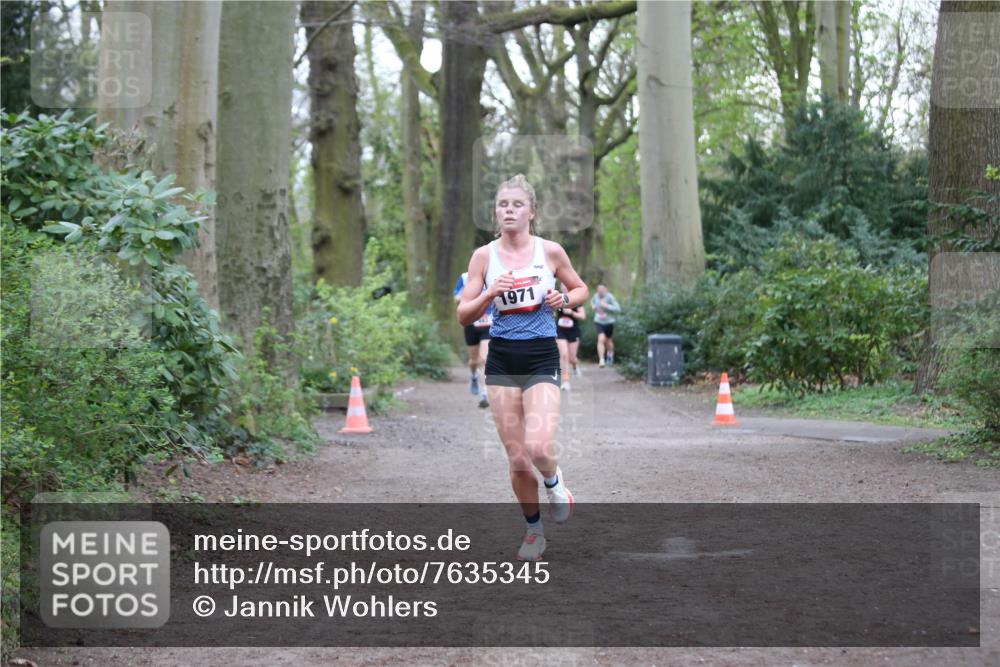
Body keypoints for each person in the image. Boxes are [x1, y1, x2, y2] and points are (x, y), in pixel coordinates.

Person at [457, 174, 589, 561]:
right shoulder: (484, 256)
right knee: (517, 458)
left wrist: (561, 299)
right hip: (501, 358)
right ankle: (534, 532)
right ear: (495, 214)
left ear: (532, 211)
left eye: (517, 204)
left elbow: (580, 289)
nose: (509, 210)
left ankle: (555, 482)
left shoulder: (550, 252)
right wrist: (489, 294)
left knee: (539, 446)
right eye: (503, 205)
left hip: (541, 355)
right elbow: (464, 314)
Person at [454, 272, 491, 408]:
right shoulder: (465, 277)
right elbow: (456, 299)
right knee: (474, 360)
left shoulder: (494, 273)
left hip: (489, 322)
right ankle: (474, 376)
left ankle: (485, 393)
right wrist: (473, 296)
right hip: (471, 322)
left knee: (485, 359)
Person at [555, 286, 586, 391]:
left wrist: (571, 313)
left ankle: (575, 366)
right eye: (562, 285)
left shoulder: (576, 298)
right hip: (560, 330)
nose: (564, 287)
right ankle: (566, 381)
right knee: (564, 355)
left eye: (566, 285)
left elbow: (583, 316)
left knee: (572, 358)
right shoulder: (557, 297)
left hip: (573, 331)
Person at [591, 283, 621, 367]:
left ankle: (610, 355)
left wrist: (607, 306)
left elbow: (618, 309)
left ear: (605, 290)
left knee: (609, 341)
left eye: (602, 290)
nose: (600, 292)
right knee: (601, 339)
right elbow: (592, 302)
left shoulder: (610, 297)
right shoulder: (595, 296)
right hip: (598, 321)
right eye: (598, 290)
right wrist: (593, 306)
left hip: (609, 322)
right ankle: (601, 360)